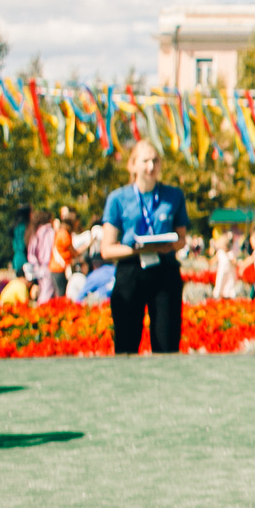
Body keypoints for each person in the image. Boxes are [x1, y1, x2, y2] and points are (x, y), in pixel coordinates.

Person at [100, 142, 187, 354]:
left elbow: (182, 239)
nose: (151, 166)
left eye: (155, 161)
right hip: (131, 271)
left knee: (167, 341)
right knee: (126, 342)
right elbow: (107, 249)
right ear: (132, 165)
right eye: (145, 161)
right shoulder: (117, 198)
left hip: (164, 270)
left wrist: (166, 245)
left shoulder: (174, 196)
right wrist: (135, 249)